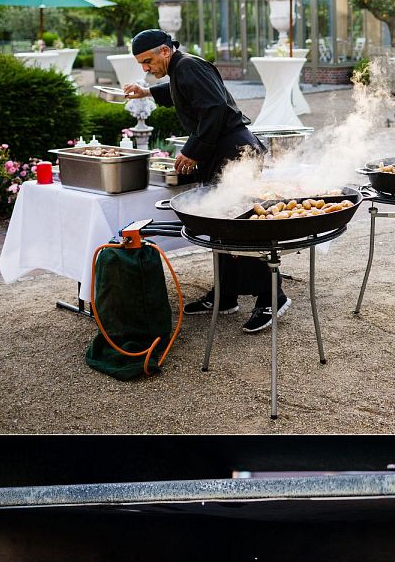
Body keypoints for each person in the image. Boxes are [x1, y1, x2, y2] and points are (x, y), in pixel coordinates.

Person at [123, 29, 288, 334]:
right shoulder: (181, 68)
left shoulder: (188, 65)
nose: (145, 68)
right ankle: (226, 295)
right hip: (224, 153)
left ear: (164, 50)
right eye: (141, 64)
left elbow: (214, 110)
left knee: (239, 228)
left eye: (147, 61)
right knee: (220, 227)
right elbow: (181, 91)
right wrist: (146, 92)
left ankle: (272, 297)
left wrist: (191, 150)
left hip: (236, 155)